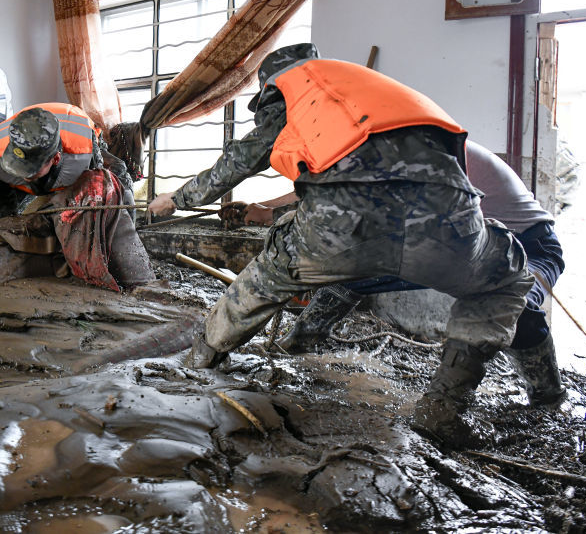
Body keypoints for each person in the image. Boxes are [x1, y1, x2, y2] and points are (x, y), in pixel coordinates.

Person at [147, 43, 533, 442]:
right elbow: (370, 185)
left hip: (340, 231)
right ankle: (445, 408)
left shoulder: (294, 88)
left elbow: (244, 158)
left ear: (269, 87)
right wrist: (272, 212)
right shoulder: (369, 90)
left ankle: (200, 362)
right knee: (506, 279)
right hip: (449, 225)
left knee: (266, 277)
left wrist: (177, 199)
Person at [229, 140, 567, 407]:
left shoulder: (433, 156)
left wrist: (285, 219)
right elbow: (324, 193)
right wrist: (266, 209)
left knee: (513, 305)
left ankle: (547, 395)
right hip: (463, 246)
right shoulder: (380, 156)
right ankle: (302, 339)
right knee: (355, 269)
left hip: (530, 245)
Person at [0, 103, 153, 291]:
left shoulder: (83, 154)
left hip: (82, 140)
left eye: (30, 170)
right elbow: (5, 206)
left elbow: (98, 194)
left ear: (55, 159)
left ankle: (132, 236)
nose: (23, 175)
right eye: (18, 167)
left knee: (117, 177)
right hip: (29, 157)